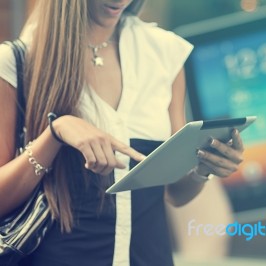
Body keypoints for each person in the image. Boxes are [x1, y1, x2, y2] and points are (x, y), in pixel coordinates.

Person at [0, 0, 245, 265]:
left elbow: (174, 193)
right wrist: (54, 134)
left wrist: (204, 168)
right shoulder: (18, 61)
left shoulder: (165, 53)